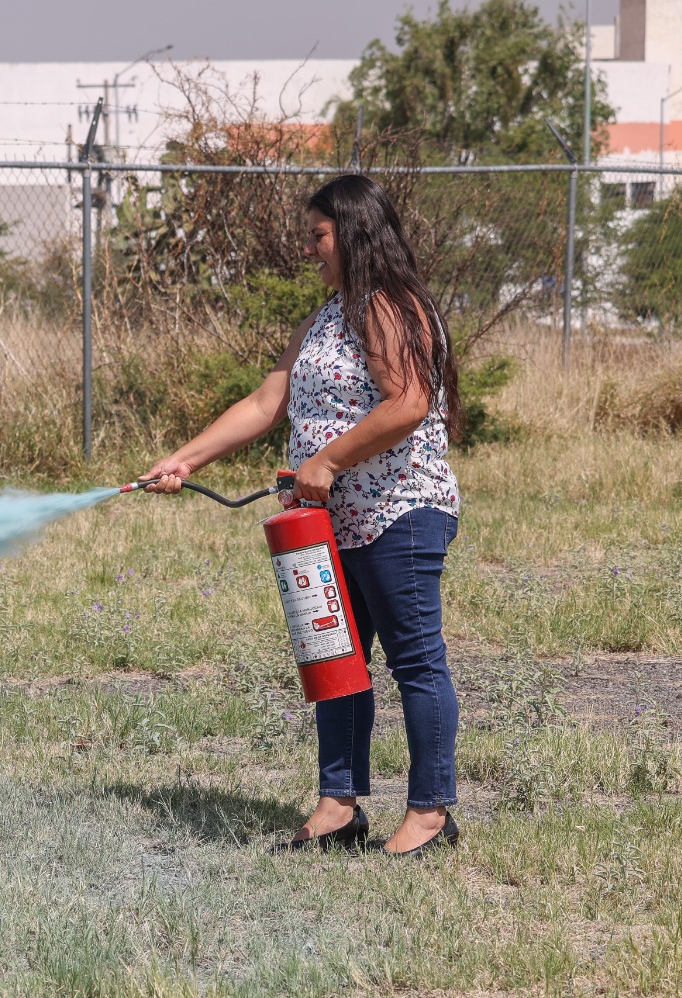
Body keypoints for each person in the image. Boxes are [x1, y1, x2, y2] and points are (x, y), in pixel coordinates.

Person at [138, 174, 462, 857]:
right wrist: (184, 460)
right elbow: (264, 403)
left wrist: (329, 461)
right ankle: (339, 805)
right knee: (335, 660)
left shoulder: (388, 305)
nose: (309, 250)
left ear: (353, 232)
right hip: (329, 524)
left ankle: (431, 811)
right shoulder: (325, 316)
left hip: (398, 512)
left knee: (414, 662)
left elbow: (408, 402)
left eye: (317, 236)